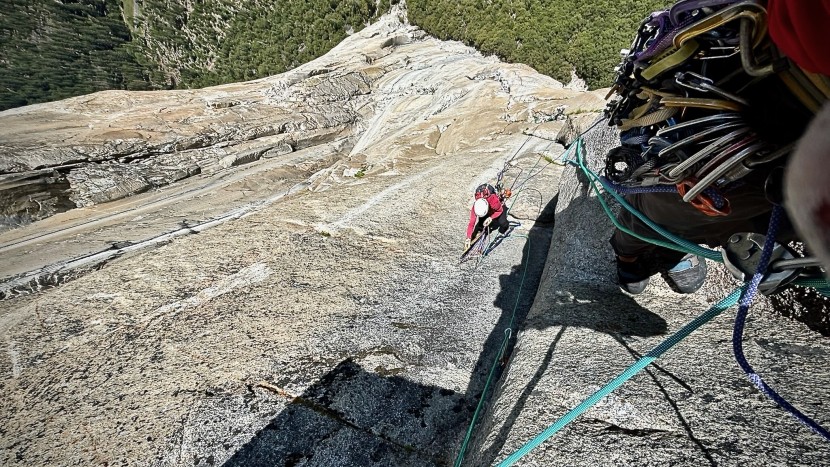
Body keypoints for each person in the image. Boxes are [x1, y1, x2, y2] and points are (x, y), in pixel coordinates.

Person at [605, 0, 825, 295]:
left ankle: (649, 254)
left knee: (685, 205)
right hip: (761, 104)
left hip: (770, 128)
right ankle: (630, 257)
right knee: (668, 203)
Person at [464, 183, 510, 251]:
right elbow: (471, 222)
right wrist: (468, 238)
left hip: (497, 208)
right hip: (486, 209)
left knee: (502, 222)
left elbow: (499, 211)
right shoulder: (476, 206)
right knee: (482, 222)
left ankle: (505, 228)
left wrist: (491, 218)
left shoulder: (493, 201)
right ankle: (481, 226)